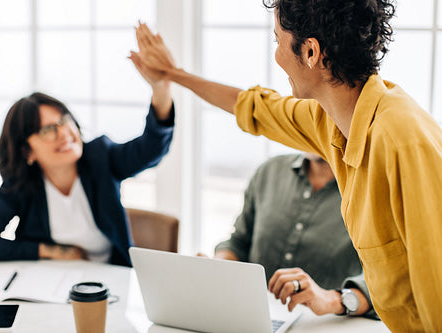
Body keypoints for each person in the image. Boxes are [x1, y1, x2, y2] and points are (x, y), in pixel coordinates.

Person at [130, 0, 442, 330]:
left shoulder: (403, 141)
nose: (277, 55)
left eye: (277, 39)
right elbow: (256, 108)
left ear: (310, 52)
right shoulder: (333, 120)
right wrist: (172, 75)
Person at [0, 60, 174, 267]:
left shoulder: (101, 158)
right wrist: (52, 251)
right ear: (27, 151)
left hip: (111, 276)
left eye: (64, 120)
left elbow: (151, 148)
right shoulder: (21, 185)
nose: (64, 133)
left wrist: (160, 90)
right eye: (48, 130)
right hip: (51, 281)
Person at [213, 152, 374, 317]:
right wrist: (217, 268)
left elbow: (389, 284)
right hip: (250, 318)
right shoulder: (270, 171)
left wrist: (333, 300)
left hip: (323, 326)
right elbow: (238, 243)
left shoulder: (371, 189)